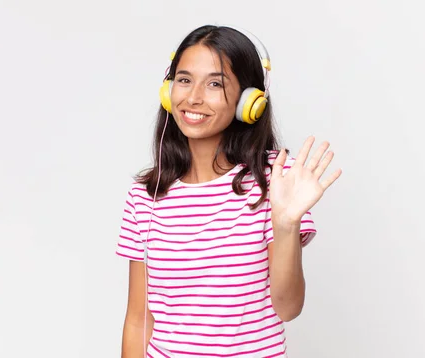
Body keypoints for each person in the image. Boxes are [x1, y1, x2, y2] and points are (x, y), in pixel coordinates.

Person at [116, 24, 342, 358]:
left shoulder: (275, 180)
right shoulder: (145, 195)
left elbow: (288, 307)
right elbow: (138, 319)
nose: (193, 97)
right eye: (184, 79)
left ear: (248, 101)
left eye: (214, 84)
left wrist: (285, 225)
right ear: (168, 89)